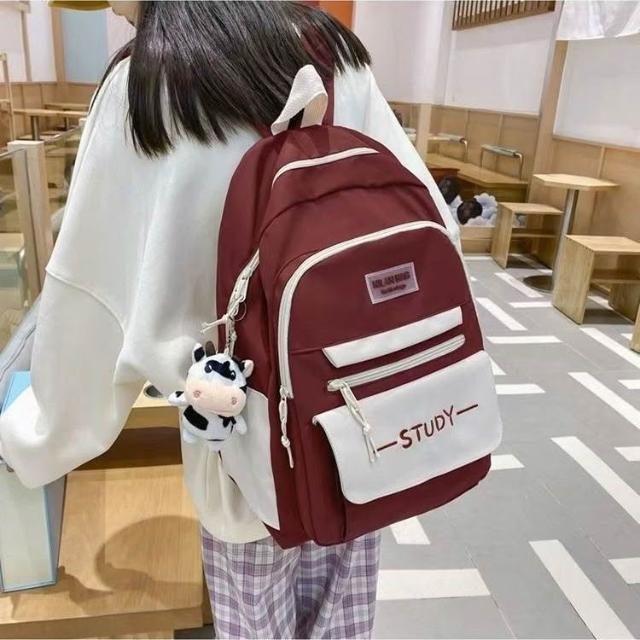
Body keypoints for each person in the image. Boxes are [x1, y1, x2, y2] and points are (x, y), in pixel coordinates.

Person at [0, 2, 458, 637]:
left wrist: (33, 441)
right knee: (344, 607)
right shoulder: (333, 53)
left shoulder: (146, 83)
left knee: (253, 614)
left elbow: (89, 303)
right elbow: (435, 226)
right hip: (360, 422)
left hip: (240, 448)